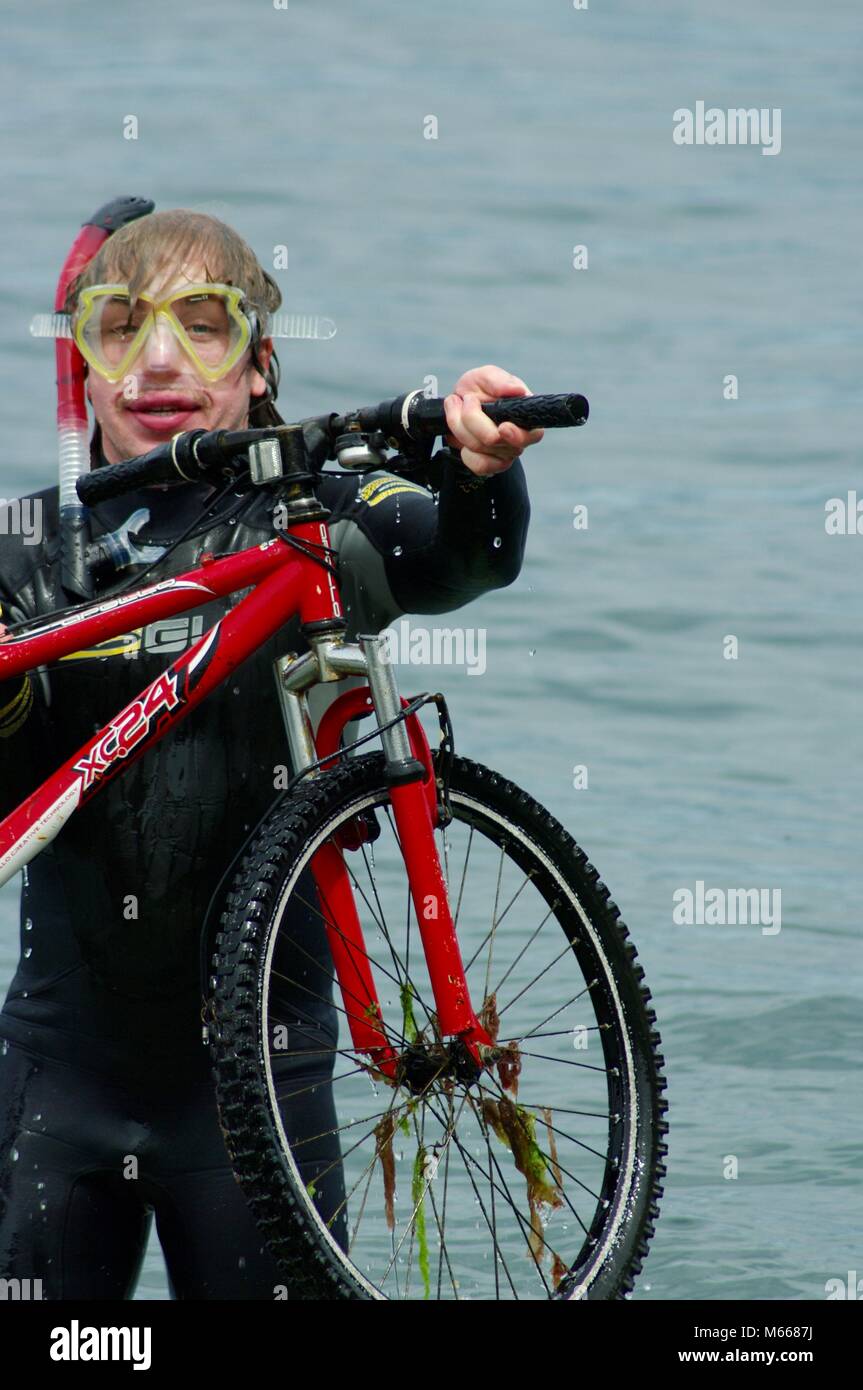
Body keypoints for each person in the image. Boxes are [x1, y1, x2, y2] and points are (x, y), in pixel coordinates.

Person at [0, 208, 543, 1299]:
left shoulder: (311, 514)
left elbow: (451, 559)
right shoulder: (25, 549)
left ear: (259, 366)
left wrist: (480, 468)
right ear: (87, 371)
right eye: (121, 330)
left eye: (203, 328)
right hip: (54, 1084)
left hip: (257, 1093)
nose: (159, 362)